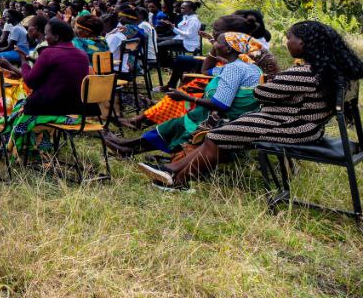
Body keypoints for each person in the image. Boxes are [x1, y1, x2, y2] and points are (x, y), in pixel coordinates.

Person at [137, 20, 363, 189]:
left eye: (290, 38)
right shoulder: (332, 71)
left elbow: (262, 94)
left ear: (304, 43)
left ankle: (176, 181)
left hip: (291, 127)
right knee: (225, 132)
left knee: (217, 136)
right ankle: (171, 171)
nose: (287, 42)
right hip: (306, 126)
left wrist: (272, 83)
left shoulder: (305, 72)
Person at [103, 33, 263, 158]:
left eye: (218, 42)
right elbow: (205, 71)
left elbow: (221, 104)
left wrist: (186, 97)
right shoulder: (244, 66)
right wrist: (213, 50)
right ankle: (127, 147)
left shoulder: (234, 69)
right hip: (225, 114)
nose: (215, 43)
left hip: (221, 116)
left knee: (176, 125)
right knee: (174, 124)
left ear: (228, 48)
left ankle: (127, 148)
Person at [0, 19, 92, 154]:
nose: (46, 37)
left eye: (47, 34)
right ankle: (41, 145)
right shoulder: (82, 55)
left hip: (49, 108)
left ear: (56, 37)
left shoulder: (48, 52)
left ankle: (15, 148)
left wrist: (23, 61)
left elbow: (30, 81)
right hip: (76, 109)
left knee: (18, 107)